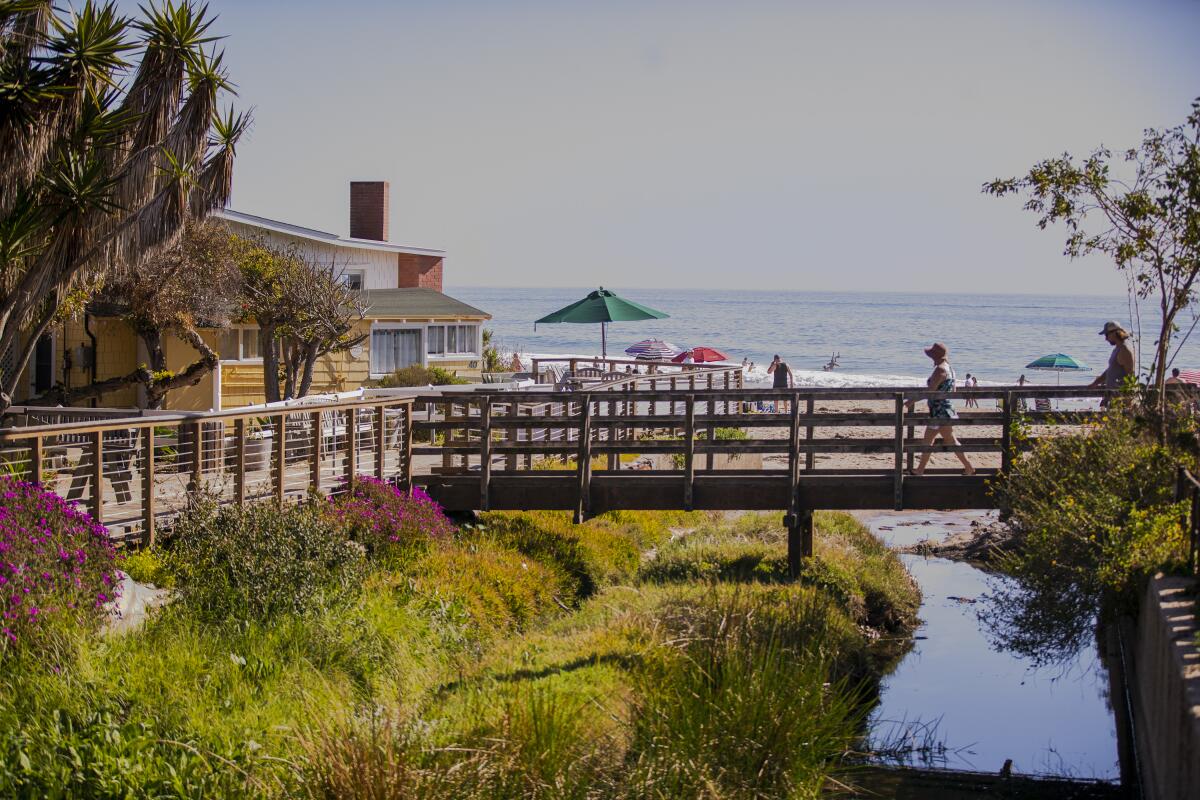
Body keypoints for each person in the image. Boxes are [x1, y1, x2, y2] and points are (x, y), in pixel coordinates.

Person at [908, 343, 974, 476]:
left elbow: (930, 391)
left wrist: (911, 401)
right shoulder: (951, 369)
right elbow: (953, 390)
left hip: (940, 413)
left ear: (935, 356)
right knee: (931, 441)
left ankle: (969, 468)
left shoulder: (940, 369)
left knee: (949, 441)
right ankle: (920, 470)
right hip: (942, 411)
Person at [1090, 321, 1136, 399]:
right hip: (1112, 396)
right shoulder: (1118, 348)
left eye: (1107, 335)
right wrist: (1096, 383)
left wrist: (1127, 398)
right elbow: (1111, 369)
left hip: (1120, 398)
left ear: (1114, 333)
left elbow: (1130, 377)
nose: (1106, 339)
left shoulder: (1125, 350)